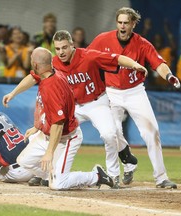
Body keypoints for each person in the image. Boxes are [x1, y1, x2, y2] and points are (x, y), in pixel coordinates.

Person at [88, 7, 180, 189]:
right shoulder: (102, 39)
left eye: (126, 23)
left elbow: (158, 63)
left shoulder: (143, 44)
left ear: (133, 24)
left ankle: (161, 178)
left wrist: (169, 76)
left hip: (135, 92)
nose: (122, 26)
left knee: (152, 132)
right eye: (119, 22)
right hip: (111, 92)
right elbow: (86, 58)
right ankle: (114, 175)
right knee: (111, 133)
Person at [2, 47, 114, 190]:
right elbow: (32, 78)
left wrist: (49, 152)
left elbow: (58, 124)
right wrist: (13, 94)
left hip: (66, 138)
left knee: (57, 185)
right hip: (46, 135)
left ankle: (95, 176)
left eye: (31, 61)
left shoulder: (51, 87)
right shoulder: (50, 73)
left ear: (36, 65)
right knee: (24, 161)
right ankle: (49, 176)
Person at [52, 30, 147, 188]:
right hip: (74, 106)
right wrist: (14, 92)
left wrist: (135, 64)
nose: (61, 52)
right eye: (57, 48)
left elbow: (116, 58)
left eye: (64, 47)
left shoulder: (89, 56)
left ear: (72, 45)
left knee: (109, 134)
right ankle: (46, 173)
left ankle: (113, 174)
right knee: (53, 130)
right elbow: (36, 75)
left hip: (97, 102)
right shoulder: (54, 63)